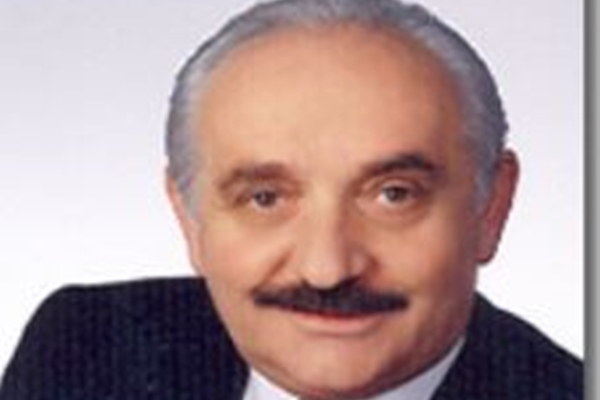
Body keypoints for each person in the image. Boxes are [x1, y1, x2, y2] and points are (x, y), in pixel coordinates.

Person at [0, 0, 582, 399]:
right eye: (264, 198)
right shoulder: (85, 347)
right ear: (189, 217)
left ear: (491, 207)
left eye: (393, 195)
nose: (327, 268)